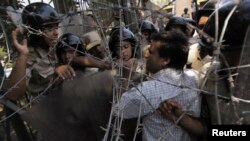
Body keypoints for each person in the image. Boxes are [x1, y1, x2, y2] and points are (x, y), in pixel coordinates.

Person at [159, 0, 250, 139]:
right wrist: (179, 117)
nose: (217, 57)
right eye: (214, 51)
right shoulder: (211, 76)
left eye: (226, 51)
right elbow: (208, 130)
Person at [115, 31, 201, 141]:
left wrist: (127, 75)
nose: (146, 55)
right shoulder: (193, 78)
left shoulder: (147, 91)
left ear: (165, 60)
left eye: (150, 52)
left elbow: (119, 108)